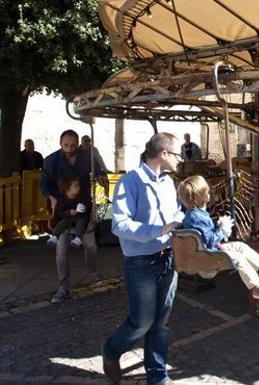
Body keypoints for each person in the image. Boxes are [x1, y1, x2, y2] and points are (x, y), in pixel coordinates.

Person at [102, 133, 184, 385]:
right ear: (164, 154)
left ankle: (158, 377)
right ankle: (111, 351)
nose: (182, 160)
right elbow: (120, 224)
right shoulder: (130, 181)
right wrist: (158, 230)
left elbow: (175, 214)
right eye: (178, 154)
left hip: (169, 259)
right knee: (142, 322)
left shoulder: (169, 183)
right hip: (141, 263)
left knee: (161, 323)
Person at [177, 175, 259, 300]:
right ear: (203, 197)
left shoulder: (194, 215)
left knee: (240, 246)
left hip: (208, 251)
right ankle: (258, 287)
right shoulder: (197, 218)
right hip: (208, 255)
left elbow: (204, 234)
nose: (210, 194)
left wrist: (217, 225)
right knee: (238, 258)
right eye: (207, 192)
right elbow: (209, 240)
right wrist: (223, 230)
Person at [40, 129, 105, 303]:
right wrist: (53, 199)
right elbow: (43, 185)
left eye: (73, 145)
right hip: (63, 209)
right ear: (60, 144)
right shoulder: (51, 161)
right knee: (61, 253)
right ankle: (63, 288)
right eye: (66, 145)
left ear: (78, 144)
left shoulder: (86, 156)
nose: (69, 149)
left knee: (90, 247)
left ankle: (92, 269)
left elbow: (99, 170)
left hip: (83, 206)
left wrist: (101, 177)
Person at [47, 176, 92, 249]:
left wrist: (83, 208)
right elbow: (59, 212)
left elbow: (87, 204)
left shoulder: (81, 197)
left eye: (78, 185)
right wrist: (69, 212)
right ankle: (54, 237)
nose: (79, 188)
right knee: (62, 222)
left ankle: (78, 239)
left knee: (82, 221)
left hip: (80, 217)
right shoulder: (62, 199)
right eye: (76, 186)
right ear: (68, 189)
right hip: (68, 218)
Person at [80, 135, 111, 199]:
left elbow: (100, 160)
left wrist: (105, 169)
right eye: (86, 141)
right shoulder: (78, 150)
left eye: (89, 141)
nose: (87, 143)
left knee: (104, 179)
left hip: (96, 170)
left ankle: (106, 196)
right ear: (82, 142)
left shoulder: (94, 150)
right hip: (83, 172)